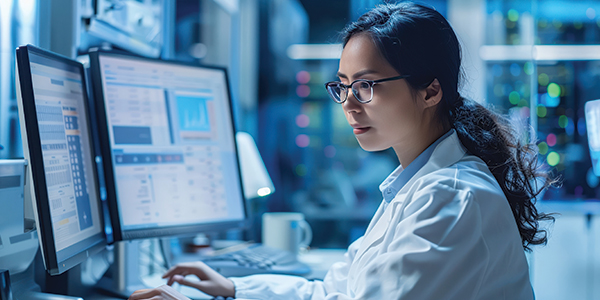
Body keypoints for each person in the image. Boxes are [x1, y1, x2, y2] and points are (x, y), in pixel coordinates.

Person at [129, 2, 557, 300]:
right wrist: (236, 288)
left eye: (366, 86)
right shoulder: (416, 187)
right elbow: (337, 292)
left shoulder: (452, 197)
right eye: (344, 86)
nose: (349, 104)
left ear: (430, 90)